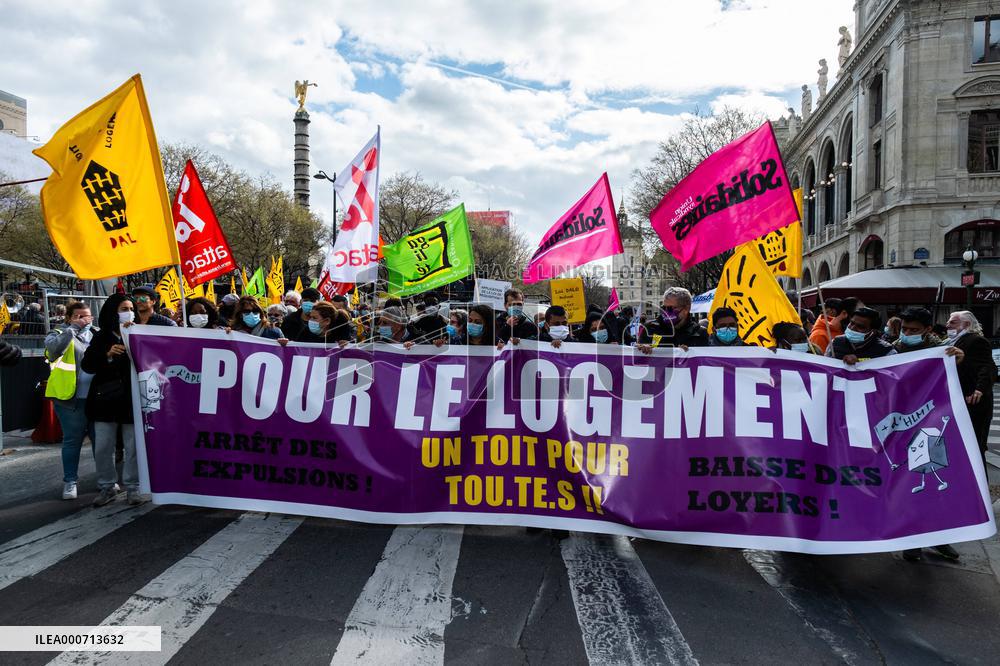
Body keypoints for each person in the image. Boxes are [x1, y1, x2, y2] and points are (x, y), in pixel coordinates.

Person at [897, 306, 964, 564]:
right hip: (903, 429)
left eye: (913, 330)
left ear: (927, 329)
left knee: (934, 486)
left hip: (933, 426)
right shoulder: (894, 350)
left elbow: (977, 377)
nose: (907, 333)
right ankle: (912, 539)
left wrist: (959, 360)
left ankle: (936, 537)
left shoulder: (944, 351)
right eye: (904, 329)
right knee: (907, 486)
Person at [81, 294, 141, 506]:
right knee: (103, 447)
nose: (129, 311)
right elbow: (87, 365)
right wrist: (107, 354)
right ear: (112, 311)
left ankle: (133, 488)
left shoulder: (139, 333)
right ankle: (107, 487)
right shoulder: (102, 336)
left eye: (131, 307)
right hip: (105, 401)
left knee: (133, 447)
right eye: (124, 308)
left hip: (132, 400)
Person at [44, 301, 96, 500]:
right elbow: (54, 351)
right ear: (69, 318)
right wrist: (73, 329)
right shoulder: (57, 333)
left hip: (96, 399)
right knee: (72, 441)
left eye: (87, 316)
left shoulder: (96, 333)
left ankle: (106, 480)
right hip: (69, 400)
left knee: (101, 442)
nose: (84, 320)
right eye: (79, 316)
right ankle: (70, 482)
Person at [946, 310, 997, 462]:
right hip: (962, 398)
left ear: (966, 324)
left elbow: (986, 367)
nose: (947, 324)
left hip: (973, 401)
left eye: (952, 322)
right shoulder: (953, 341)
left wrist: (980, 389)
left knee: (974, 446)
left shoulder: (975, 340)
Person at [638, 287, 709, 351]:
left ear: (686, 308)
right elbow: (636, 359)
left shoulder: (700, 333)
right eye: (664, 308)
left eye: (671, 308)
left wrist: (688, 354)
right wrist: (642, 349)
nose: (666, 312)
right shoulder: (650, 328)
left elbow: (705, 361)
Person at [828, 306, 895, 364]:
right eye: (851, 323)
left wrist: (860, 361)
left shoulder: (886, 351)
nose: (852, 328)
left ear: (873, 331)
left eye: (860, 327)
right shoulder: (835, 343)